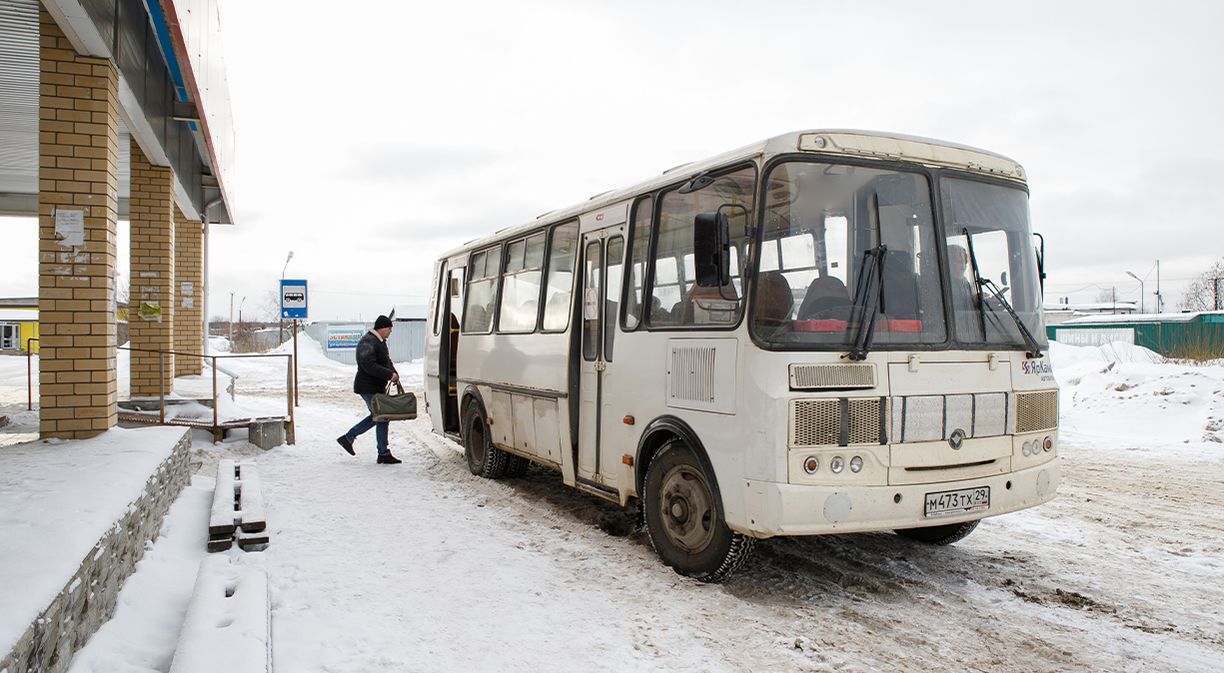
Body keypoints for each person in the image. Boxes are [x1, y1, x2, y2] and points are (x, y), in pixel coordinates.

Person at [337, 315, 401, 464]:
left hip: (375, 386)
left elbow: (386, 361)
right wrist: (388, 374)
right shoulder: (368, 341)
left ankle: (378, 450)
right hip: (367, 387)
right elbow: (368, 365)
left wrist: (394, 373)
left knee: (380, 416)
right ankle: (378, 450)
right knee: (381, 416)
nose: (391, 331)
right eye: (389, 328)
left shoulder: (379, 342)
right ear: (382, 327)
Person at [947, 244, 977, 312]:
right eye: (959, 262)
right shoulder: (945, 285)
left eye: (965, 263)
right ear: (949, 263)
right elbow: (956, 307)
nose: (963, 267)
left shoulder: (965, 283)